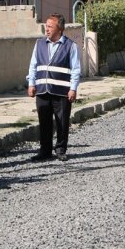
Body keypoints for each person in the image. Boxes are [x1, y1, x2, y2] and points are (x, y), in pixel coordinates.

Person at [26, 13, 80, 161]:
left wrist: (73, 88)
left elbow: (75, 69)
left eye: (50, 26)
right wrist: (31, 84)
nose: (47, 29)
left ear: (60, 29)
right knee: (44, 122)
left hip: (62, 91)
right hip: (42, 89)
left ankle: (61, 149)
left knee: (62, 121)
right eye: (46, 26)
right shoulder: (39, 44)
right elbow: (33, 66)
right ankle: (45, 151)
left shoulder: (70, 46)